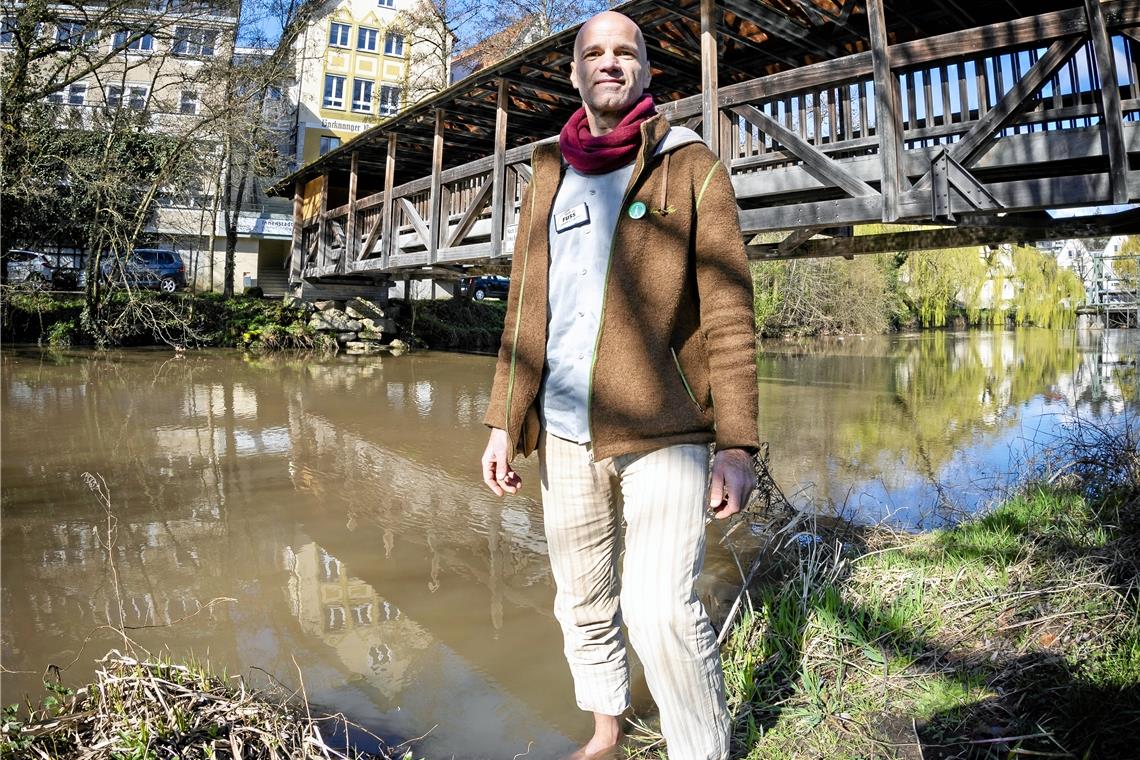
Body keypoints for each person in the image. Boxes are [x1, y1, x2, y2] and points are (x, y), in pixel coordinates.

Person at [480, 10, 759, 760]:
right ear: (575, 73)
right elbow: (524, 306)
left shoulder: (690, 163)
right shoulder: (548, 172)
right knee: (583, 599)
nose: (609, 63)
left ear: (644, 70)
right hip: (564, 432)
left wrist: (737, 441)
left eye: (624, 52)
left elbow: (728, 309)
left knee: (660, 607)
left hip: (663, 430)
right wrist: (504, 421)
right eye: (594, 53)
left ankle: (701, 750)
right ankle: (606, 730)